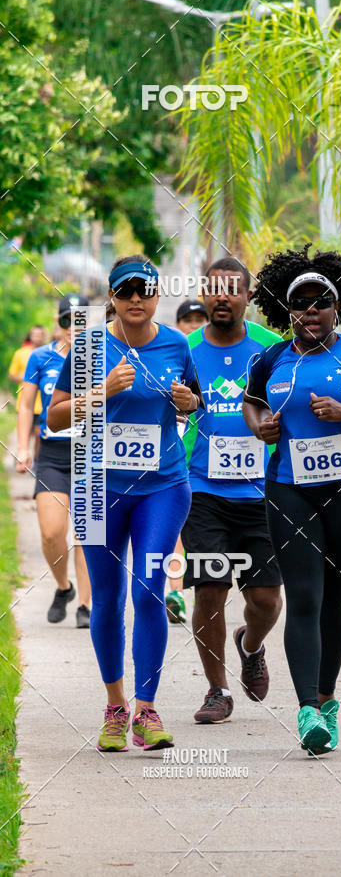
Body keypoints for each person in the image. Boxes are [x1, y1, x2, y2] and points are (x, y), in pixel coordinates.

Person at [243, 246, 341, 755]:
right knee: (305, 597)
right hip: (288, 489)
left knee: (336, 598)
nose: (310, 311)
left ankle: (329, 700)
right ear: (286, 309)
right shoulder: (270, 358)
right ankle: (307, 709)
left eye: (321, 302)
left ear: (339, 308)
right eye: (300, 303)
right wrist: (262, 427)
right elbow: (251, 402)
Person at [48, 255, 203, 752]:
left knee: (149, 590)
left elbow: (194, 399)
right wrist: (99, 392)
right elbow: (54, 418)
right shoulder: (91, 346)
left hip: (162, 484)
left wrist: (189, 403)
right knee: (107, 598)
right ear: (112, 297)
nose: (136, 298)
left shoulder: (177, 344)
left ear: (158, 296)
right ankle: (115, 707)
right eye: (126, 290)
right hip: (98, 488)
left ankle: (147, 709)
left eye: (146, 290)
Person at [180, 256, 283, 724]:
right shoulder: (183, 350)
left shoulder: (273, 350)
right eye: (214, 289)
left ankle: (251, 644)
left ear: (246, 297)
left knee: (266, 601)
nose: (222, 296)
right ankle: (217, 690)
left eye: (232, 289)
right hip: (201, 490)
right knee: (210, 589)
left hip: (263, 492)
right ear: (203, 293)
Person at [16, 299, 91, 627]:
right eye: (68, 320)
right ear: (59, 323)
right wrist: (22, 446)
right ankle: (64, 587)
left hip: (91, 454)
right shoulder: (40, 356)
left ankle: (86, 607)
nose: (75, 327)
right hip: (53, 454)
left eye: (81, 321)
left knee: (88, 535)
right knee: (51, 533)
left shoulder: (104, 358)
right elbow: (25, 405)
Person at [164, 299, 209, 624]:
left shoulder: (212, 358)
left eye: (199, 319)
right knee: (176, 527)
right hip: (173, 456)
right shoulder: (169, 356)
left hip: (206, 458)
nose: (194, 325)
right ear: (179, 325)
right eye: (187, 319)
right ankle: (175, 591)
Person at [10, 326, 47, 465]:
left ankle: (37, 461)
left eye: (40, 335)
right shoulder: (20, 353)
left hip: (42, 403)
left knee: (39, 434)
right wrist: (29, 381)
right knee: (24, 433)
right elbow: (12, 374)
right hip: (25, 401)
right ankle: (21, 456)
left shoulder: (47, 353)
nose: (37, 337)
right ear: (30, 336)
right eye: (35, 335)